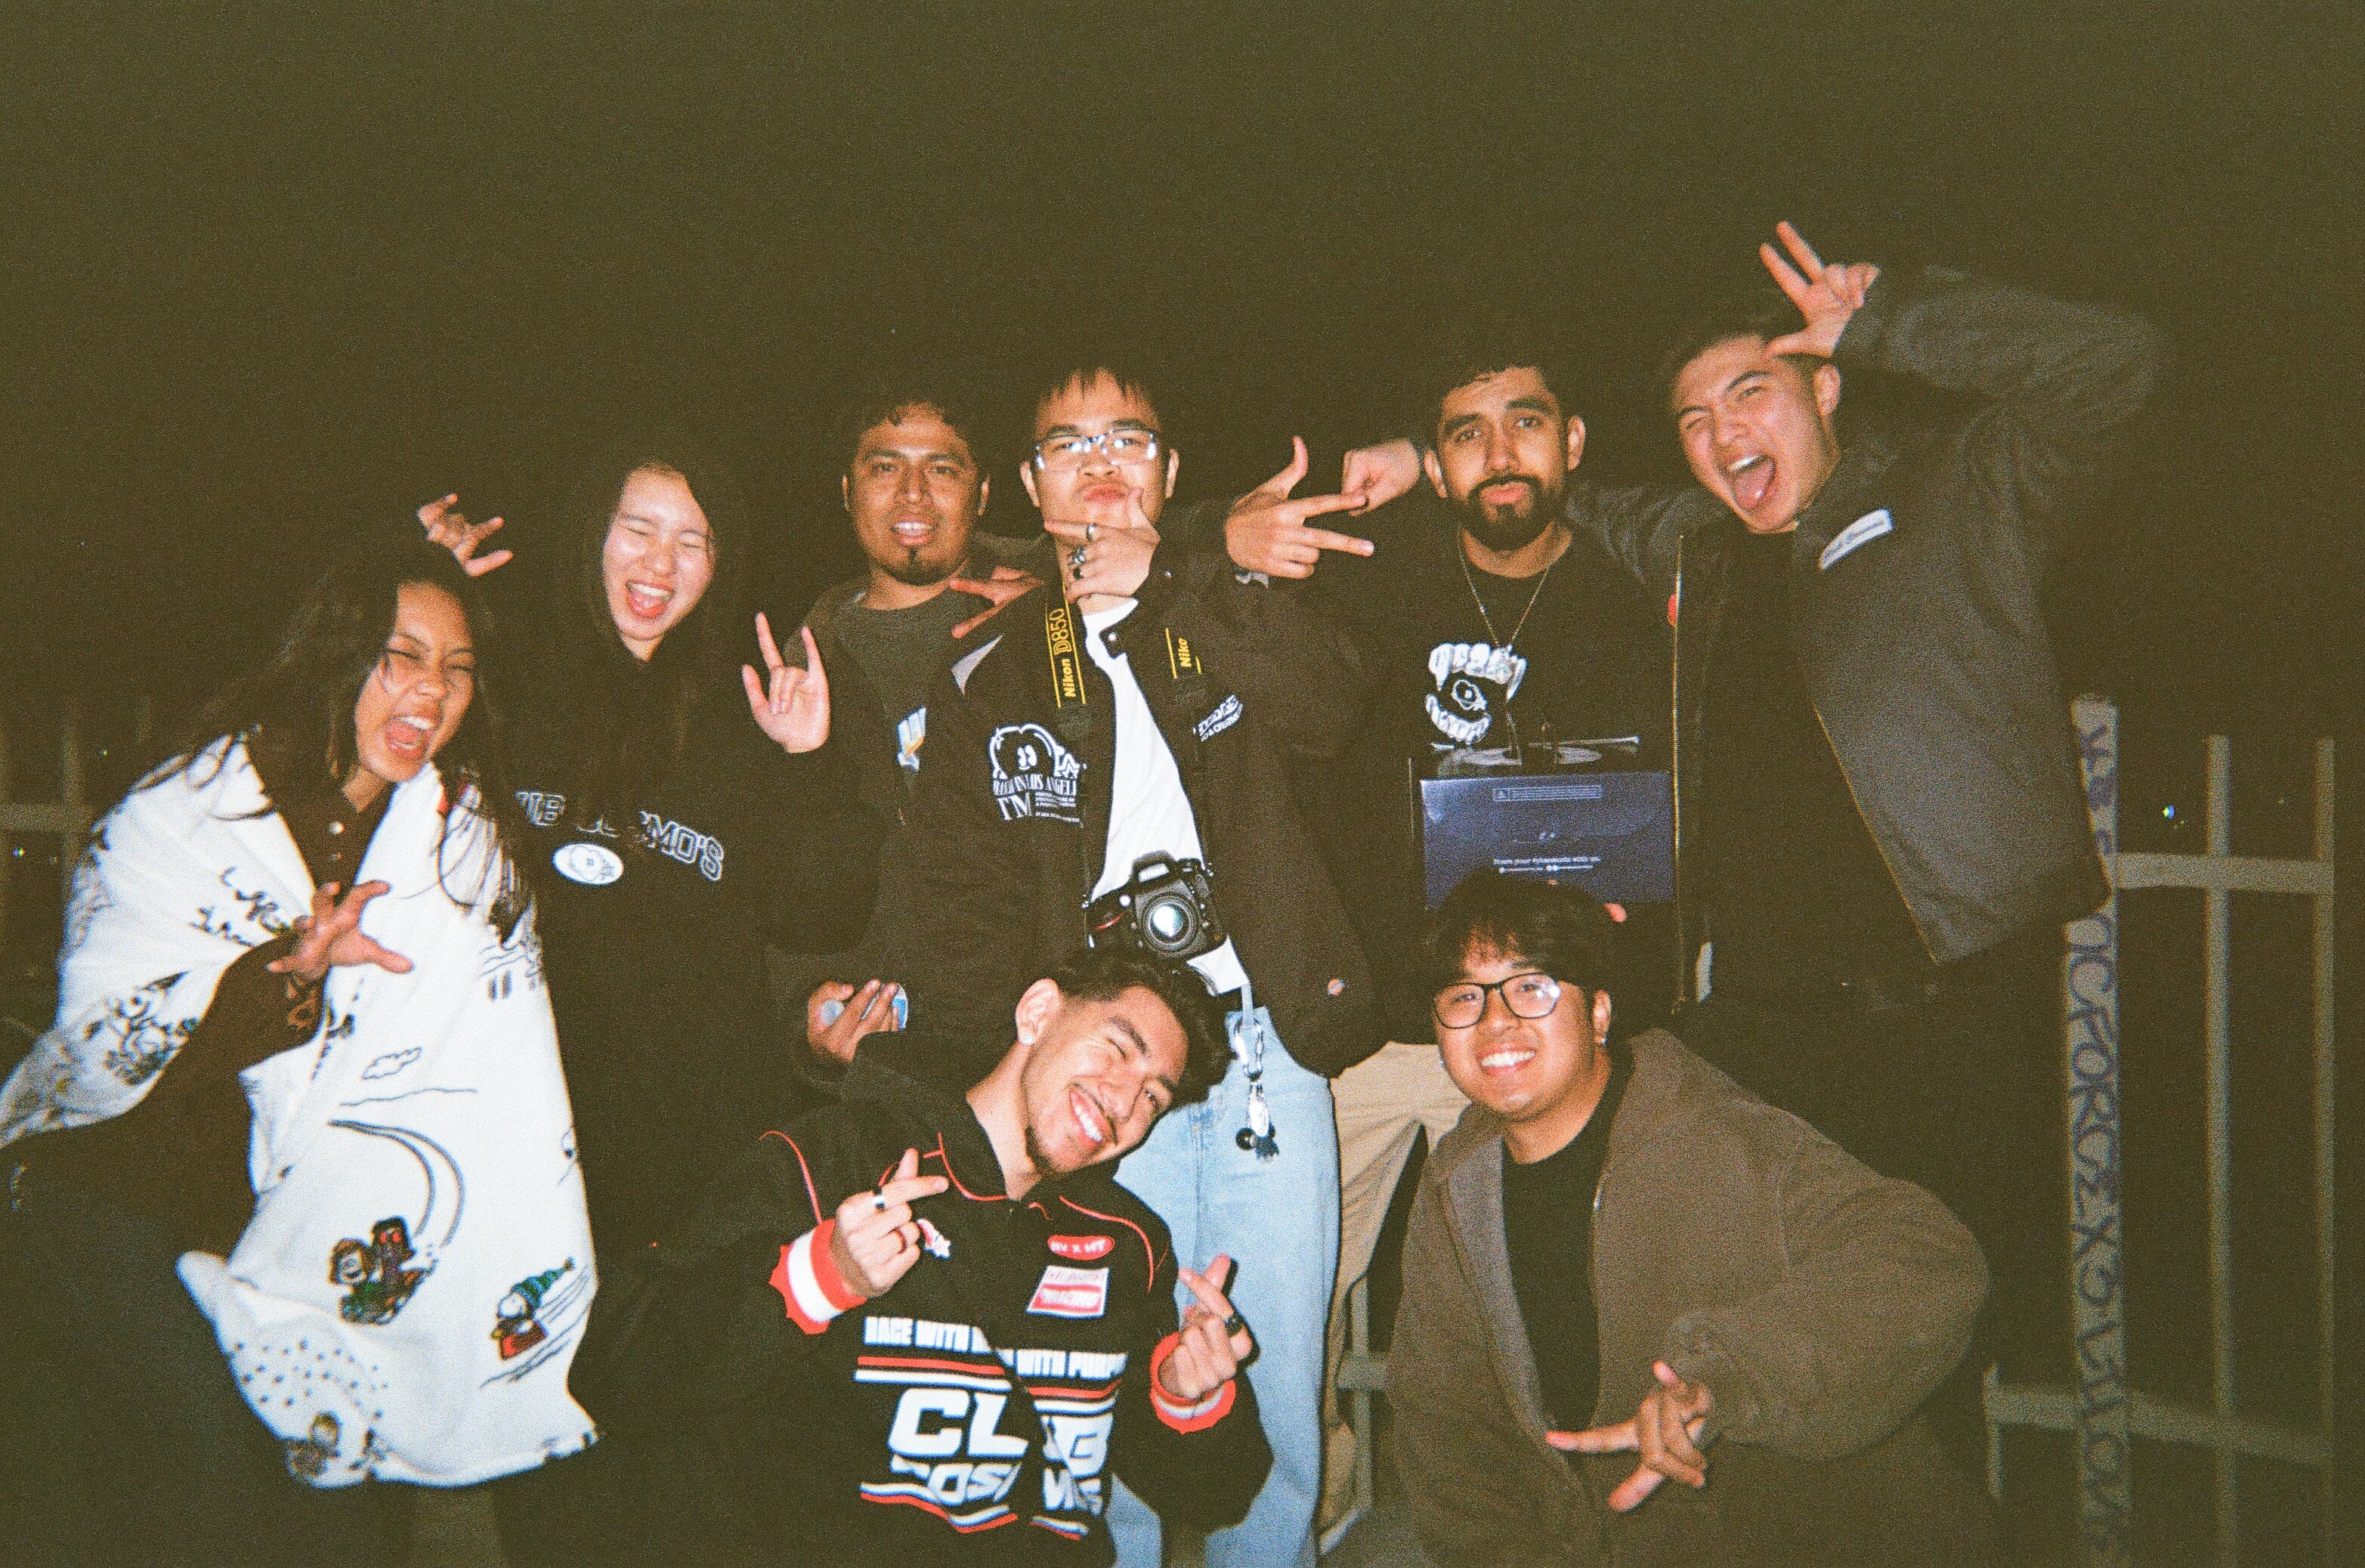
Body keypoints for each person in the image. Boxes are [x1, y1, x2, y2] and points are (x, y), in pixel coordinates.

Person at [1342, 224, 2163, 1435]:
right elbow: (1549, 495)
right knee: (1761, 1335)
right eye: (1691, 419)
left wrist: (1893, 319)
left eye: (1751, 393)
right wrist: (1423, 462)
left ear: (1822, 388)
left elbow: (2118, 365)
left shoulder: (1959, 492)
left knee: (1930, 1330)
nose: (1725, 435)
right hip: (1759, 1025)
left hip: (1944, 1007)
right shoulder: (1698, 552)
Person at [0, 539, 593, 1567]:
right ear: (334, 654)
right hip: (118, 1196)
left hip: (305, 1223)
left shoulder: (455, 841)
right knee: (215, 1491)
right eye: (398, 655)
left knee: (346, 1492)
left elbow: (488, 1042)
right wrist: (288, 974)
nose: (429, 691)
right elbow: (107, 1034)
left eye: (456, 668)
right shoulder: (191, 814)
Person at [883, 359, 1381, 1567]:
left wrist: (1175, 583)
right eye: (1069, 445)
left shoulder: (1226, 598)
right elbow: (957, 896)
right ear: (1028, 481)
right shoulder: (992, 661)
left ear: (1168, 471)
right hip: (1096, 1066)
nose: (1101, 464)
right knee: (1097, 1378)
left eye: (1129, 440)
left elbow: (1334, 705)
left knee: (1257, 1359)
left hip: (1257, 1033)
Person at [1223, 323, 1673, 1528]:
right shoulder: (1379, 560)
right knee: (1287, 1296)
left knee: (1575, 1297)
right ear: (1436, 459)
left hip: (1539, 1024)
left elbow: (1664, 811)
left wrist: (1630, 908)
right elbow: (1222, 564)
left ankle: (1587, 1525)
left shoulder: (1631, 604)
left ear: (1573, 441)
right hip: (1370, 1019)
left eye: (1525, 420)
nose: (1498, 453)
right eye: (1464, 434)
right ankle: (1304, 1516)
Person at [574, 944, 1270, 1564]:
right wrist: (817, 1278)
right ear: (1038, 1012)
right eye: (1116, 1049)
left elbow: (1213, 1497)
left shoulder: (1128, 1243)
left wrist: (1187, 1397)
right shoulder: (824, 1161)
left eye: (1154, 1097)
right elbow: (615, 1373)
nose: (1124, 1104)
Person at [1390, 871, 1996, 1566]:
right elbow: (1447, 1426)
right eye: (1464, 997)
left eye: (1531, 987)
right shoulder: (1457, 1181)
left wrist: (1730, 1378)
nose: (1496, 1021)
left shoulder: (1716, 1133)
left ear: (1597, 1014)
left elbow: (1929, 1255)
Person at [776, 377, 1046, 1075]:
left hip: (1040, 1041)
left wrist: (1062, 617)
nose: (914, 494)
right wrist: (800, 1007)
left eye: (943, 468)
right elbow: (773, 864)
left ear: (983, 493)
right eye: (886, 466)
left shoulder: (1057, 607)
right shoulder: (798, 662)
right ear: (846, 490)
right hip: (879, 1049)